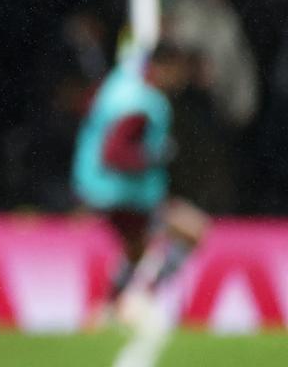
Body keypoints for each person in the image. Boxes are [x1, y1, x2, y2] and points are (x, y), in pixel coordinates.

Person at [72, 43, 209, 321]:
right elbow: (114, 153)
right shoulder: (143, 104)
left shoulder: (121, 83)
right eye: (178, 71)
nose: (181, 78)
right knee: (193, 230)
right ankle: (144, 294)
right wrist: (153, 156)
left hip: (100, 187)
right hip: (122, 194)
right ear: (164, 67)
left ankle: (108, 308)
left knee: (135, 249)